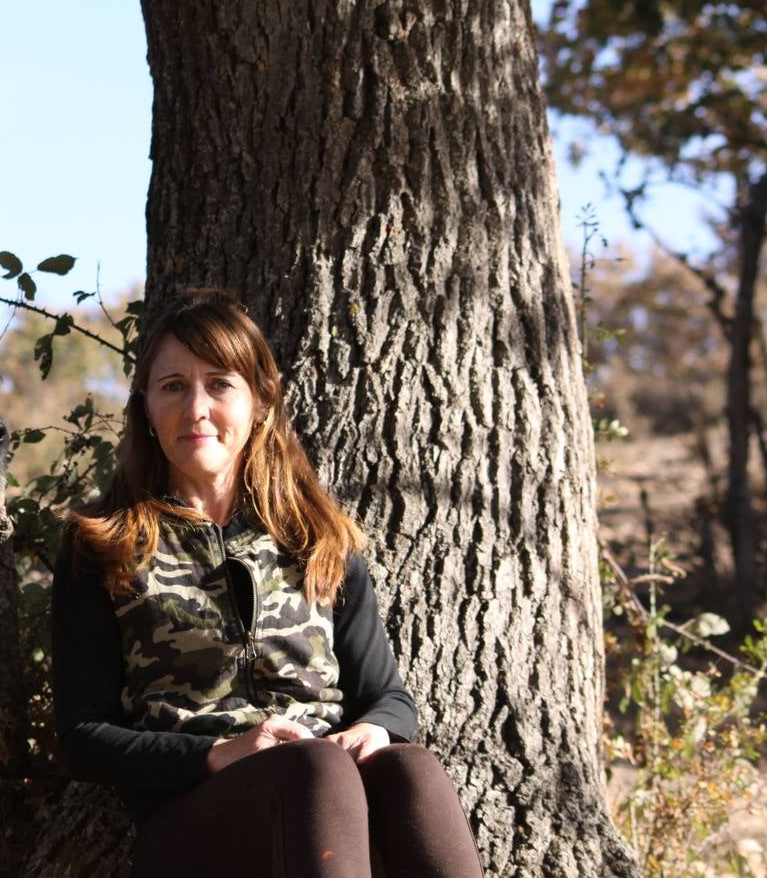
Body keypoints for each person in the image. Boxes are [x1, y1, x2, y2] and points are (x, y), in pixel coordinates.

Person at [51, 288, 484, 877]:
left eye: (220, 384)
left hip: (329, 801)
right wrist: (217, 754)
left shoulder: (318, 538)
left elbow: (389, 697)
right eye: (173, 386)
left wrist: (373, 731)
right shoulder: (105, 547)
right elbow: (83, 739)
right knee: (316, 769)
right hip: (192, 822)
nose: (196, 407)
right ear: (147, 409)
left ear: (260, 402)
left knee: (410, 768)